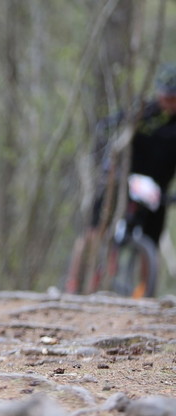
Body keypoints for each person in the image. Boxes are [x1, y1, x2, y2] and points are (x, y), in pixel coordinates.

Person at [65, 63, 176, 291]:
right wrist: (108, 163)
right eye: (165, 96)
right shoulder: (142, 112)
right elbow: (106, 127)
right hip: (122, 182)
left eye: (173, 98)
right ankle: (74, 283)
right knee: (93, 229)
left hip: (156, 192)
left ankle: (143, 294)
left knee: (151, 242)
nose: (168, 102)